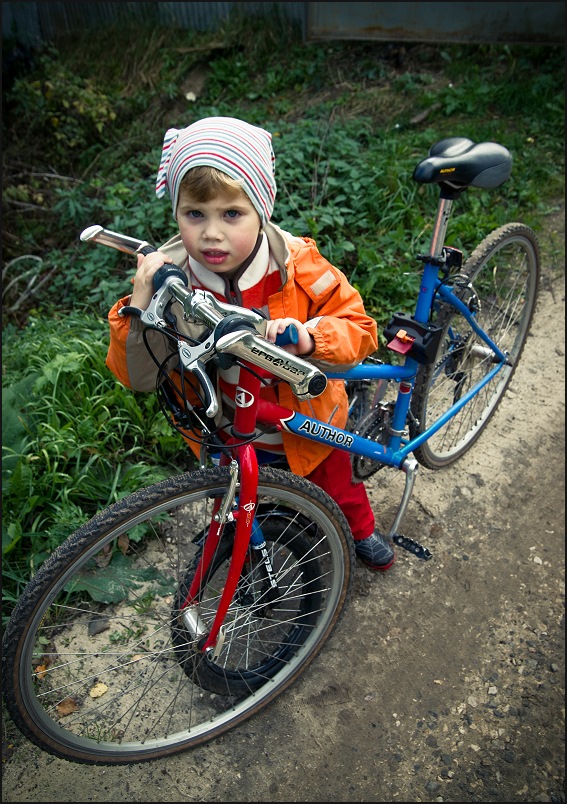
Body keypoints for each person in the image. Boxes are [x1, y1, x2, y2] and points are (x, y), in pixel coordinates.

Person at [106, 116, 395, 571]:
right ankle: (262, 549)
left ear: (262, 210)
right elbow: (140, 377)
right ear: (176, 212)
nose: (211, 233)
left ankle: (360, 531)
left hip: (308, 423)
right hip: (226, 429)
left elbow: (359, 327)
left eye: (232, 214)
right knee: (249, 502)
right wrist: (138, 310)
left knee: (340, 486)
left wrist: (310, 337)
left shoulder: (296, 265)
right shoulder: (170, 280)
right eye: (194, 214)